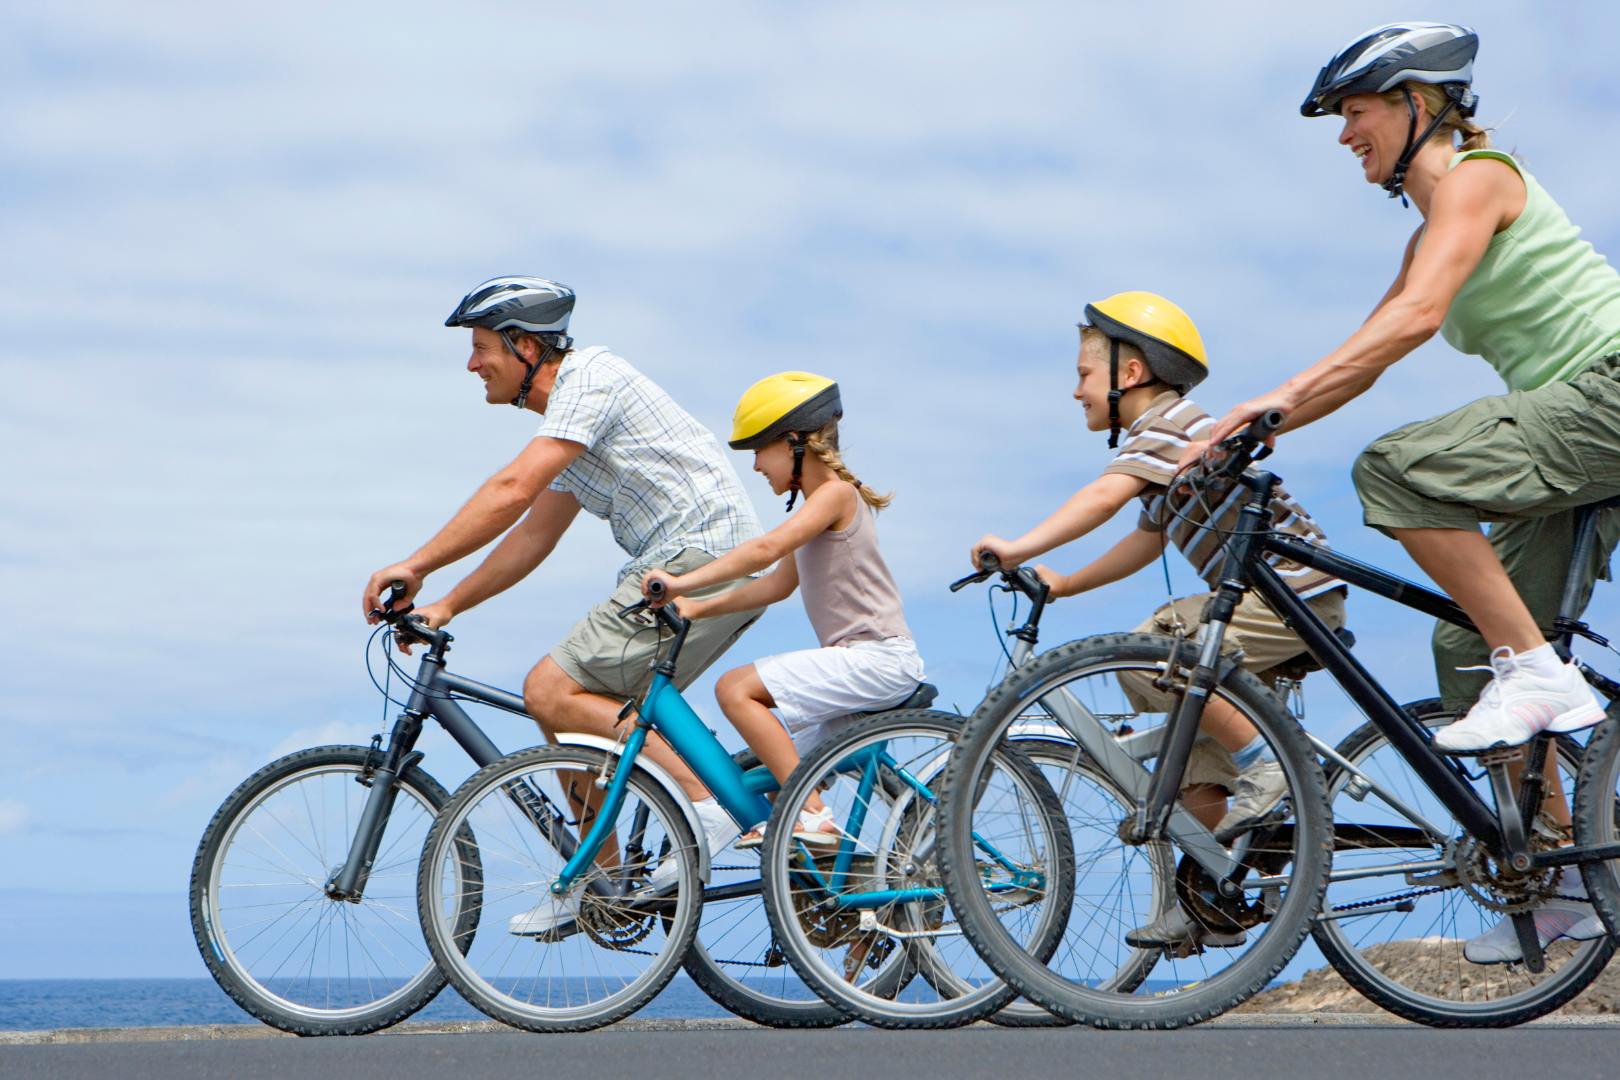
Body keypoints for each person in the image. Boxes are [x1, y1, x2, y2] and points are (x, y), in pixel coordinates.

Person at [1202, 22, 1618, 961]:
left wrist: (1279, 403)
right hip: (1582, 415)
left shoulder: (1480, 178)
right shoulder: (1434, 229)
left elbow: (1421, 316)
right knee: (1467, 640)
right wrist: (1259, 423)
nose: (1346, 133)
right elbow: (1375, 346)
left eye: (1356, 111)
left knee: (1394, 469)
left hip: (1611, 389)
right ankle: (1567, 884)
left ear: (1416, 103)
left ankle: (1544, 676)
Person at [360, 276, 765, 935]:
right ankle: (602, 883)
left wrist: (416, 563)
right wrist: (448, 604)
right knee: (571, 714)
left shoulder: (591, 379)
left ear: (525, 348)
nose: (470, 364)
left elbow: (514, 487)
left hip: (697, 560)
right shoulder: (571, 426)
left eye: (481, 346)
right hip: (697, 569)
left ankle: (706, 805)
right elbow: (534, 535)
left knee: (551, 687)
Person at [971, 291, 1348, 952]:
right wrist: (1066, 583)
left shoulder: (1172, 427)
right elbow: (1146, 540)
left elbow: (1101, 496)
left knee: (1160, 646)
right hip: (1265, 603)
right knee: (1195, 752)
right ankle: (1204, 894)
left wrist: (1021, 546)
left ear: (1132, 374)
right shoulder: (1165, 446)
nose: (1075, 391)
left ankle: (1271, 769)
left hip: (1291, 598)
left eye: (1084, 375)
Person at [643, 372, 925, 847]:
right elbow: (774, 586)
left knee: (735, 689)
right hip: (861, 664)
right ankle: (830, 883)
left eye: (759, 449)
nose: (755, 465)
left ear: (794, 443)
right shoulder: (818, 507)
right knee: (773, 784)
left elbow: (765, 551)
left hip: (876, 660)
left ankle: (812, 813)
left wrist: (679, 582)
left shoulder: (834, 495)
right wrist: (694, 606)